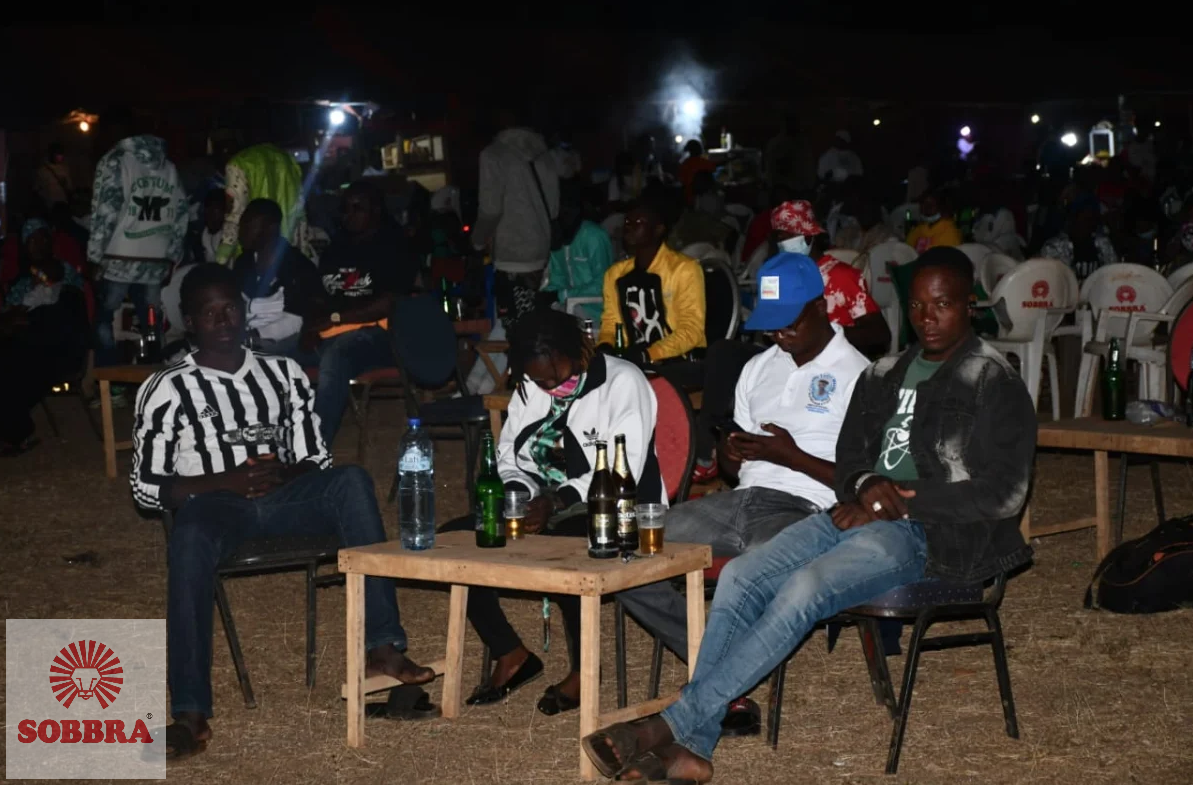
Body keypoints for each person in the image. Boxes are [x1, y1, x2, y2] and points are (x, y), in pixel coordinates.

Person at [581, 246, 1037, 782]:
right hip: (853, 512)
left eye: (943, 305)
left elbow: (1004, 493)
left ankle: (667, 726)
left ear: (969, 306)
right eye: (917, 306)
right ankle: (694, 750)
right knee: (742, 579)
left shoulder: (994, 380)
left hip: (930, 534)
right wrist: (864, 487)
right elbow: (852, 459)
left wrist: (896, 499)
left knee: (803, 588)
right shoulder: (885, 373)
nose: (927, 318)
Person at [130, 264, 436, 760]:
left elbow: (316, 458)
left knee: (351, 480)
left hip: (283, 499)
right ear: (190, 322)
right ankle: (190, 713)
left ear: (245, 310)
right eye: (209, 313)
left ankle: (382, 648)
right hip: (215, 507)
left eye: (230, 308)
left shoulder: (282, 373)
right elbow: (146, 487)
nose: (223, 320)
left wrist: (285, 474)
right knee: (188, 536)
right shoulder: (167, 387)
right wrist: (226, 482)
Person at [618, 252, 870, 732]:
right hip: (742, 500)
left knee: (752, 571)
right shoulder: (758, 367)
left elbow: (865, 485)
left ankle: (716, 686)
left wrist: (789, 455)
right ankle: (721, 674)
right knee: (628, 550)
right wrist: (732, 452)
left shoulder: (860, 374)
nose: (779, 334)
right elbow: (736, 469)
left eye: (790, 322)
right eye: (771, 324)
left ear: (821, 308)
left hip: (810, 510)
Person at [439, 308, 663, 715]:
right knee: (456, 540)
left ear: (575, 350)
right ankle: (510, 652)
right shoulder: (531, 384)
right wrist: (519, 496)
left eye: (552, 375)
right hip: (544, 503)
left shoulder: (622, 382)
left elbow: (623, 467)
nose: (546, 385)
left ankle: (583, 671)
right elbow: (510, 455)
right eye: (536, 378)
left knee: (568, 549)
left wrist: (556, 500)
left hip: (613, 505)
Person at [302, 179, 420, 446]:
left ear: (376, 210)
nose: (349, 215)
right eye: (345, 209)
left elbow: (388, 304)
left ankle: (315, 449)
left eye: (358, 208)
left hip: (381, 336)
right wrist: (309, 326)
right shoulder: (336, 248)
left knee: (335, 356)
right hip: (331, 332)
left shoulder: (394, 246)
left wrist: (334, 319)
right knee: (271, 355)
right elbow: (318, 297)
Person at [88, 107, 188, 386]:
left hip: (118, 256)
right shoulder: (168, 165)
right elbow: (181, 214)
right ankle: (157, 386)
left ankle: (111, 386)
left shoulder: (114, 161)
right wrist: (172, 256)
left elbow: (105, 212)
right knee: (152, 325)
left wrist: (94, 256)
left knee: (105, 320)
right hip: (155, 258)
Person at [0, 219, 89, 454]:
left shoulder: (63, 270)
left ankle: (14, 431)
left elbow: (53, 279)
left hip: (59, 345)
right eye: (31, 240)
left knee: (22, 354)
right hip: (28, 344)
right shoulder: (20, 284)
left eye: (42, 238)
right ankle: (13, 430)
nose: (37, 244)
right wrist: (14, 318)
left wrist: (23, 316)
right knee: (11, 355)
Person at [770, 199, 889, 357]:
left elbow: (879, 333)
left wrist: (826, 336)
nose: (781, 244)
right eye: (778, 238)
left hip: (835, 362)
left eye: (785, 237)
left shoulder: (841, 276)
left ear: (807, 237)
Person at [471, 114, 559, 326]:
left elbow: (490, 210)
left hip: (512, 254)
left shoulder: (493, 155)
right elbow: (554, 209)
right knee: (538, 327)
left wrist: (477, 242)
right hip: (541, 254)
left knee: (515, 330)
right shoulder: (544, 155)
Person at [597, 200, 706, 367]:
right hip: (633, 358)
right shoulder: (616, 274)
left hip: (678, 360)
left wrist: (650, 354)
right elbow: (611, 323)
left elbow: (691, 330)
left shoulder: (684, 269)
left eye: (639, 222)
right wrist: (606, 344)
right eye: (627, 222)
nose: (630, 227)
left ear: (658, 230)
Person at [232, 198, 322, 355]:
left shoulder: (298, 266)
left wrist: (255, 335)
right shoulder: (243, 263)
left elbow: (297, 320)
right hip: (247, 336)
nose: (241, 231)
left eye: (248, 225)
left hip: (282, 339)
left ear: (271, 228)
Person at [217, 140, 315, 264]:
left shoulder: (239, 163)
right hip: (285, 250)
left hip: (252, 255)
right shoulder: (289, 161)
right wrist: (303, 252)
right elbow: (300, 213)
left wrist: (221, 260)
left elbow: (234, 216)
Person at [542, 185, 615, 323]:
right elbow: (557, 279)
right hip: (570, 308)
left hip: (598, 311)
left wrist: (562, 295)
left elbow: (604, 283)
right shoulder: (557, 237)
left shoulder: (594, 237)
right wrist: (547, 295)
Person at [1038, 194, 1118, 278]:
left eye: (1093, 218)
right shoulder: (1054, 247)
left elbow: (1114, 274)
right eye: (1085, 218)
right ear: (1073, 218)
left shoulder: (1103, 244)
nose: (1089, 223)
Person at [187, 189, 227, 265]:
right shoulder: (199, 239)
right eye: (208, 210)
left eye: (215, 211)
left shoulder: (230, 240)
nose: (210, 215)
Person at [34, 142, 74, 212]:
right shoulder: (42, 171)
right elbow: (36, 190)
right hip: (49, 207)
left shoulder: (65, 169)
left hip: (63, 206)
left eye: (61, 153)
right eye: (57, 153)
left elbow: (69, 188)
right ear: (51, 154)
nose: (60, 156)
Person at [678, 140, 717, 205]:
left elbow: (682, 181)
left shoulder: (685, 164)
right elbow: (714, 168)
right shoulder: (704, 162)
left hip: (689, 200)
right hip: (707, 200)